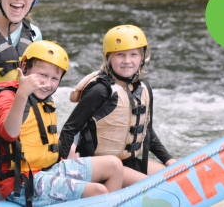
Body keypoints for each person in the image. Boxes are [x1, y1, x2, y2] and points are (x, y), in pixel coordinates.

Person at [0, 40, 144, 207]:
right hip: (21, 182)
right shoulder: (6, 97)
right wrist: (22, 94)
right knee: (98, 191)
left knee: (113, 165)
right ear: (24, 67)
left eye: (54, 79)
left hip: (49, 169)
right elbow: (10, 133)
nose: (48, 84)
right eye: (43, 75)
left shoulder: (41, 98)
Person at [59, 25, 178, 178]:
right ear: (107, 58)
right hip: (100, 168)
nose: (127, 61)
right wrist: (60, 169)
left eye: (133, 54)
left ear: (142, 57)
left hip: (128, 162)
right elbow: (70, 129)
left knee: (176, 175)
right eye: (120, 54)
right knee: (156, 185)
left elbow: (147, 130)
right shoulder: (100, 91)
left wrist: (168, 159)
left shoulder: (144, 88)